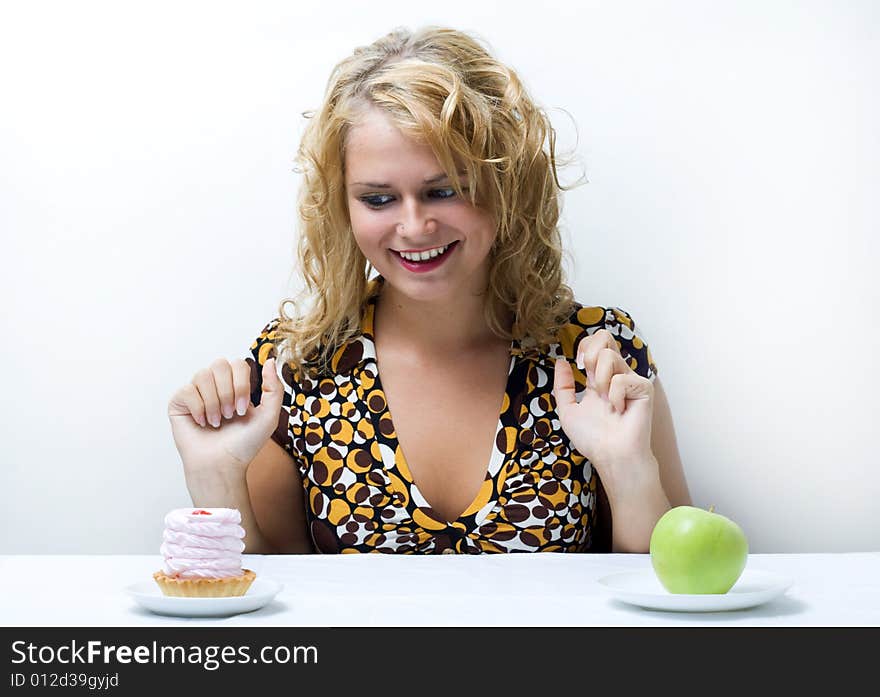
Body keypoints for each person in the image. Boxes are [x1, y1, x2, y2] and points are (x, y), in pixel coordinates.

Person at [167, 26, 691, 555]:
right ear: (342, 205)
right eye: (378, 199)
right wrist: (216, 481)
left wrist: (628, 470)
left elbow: (669, 597)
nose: (414, 227)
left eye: (444, 191)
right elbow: (277, 604)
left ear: (505, 184)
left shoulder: (597, 356)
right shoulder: (297, 366)